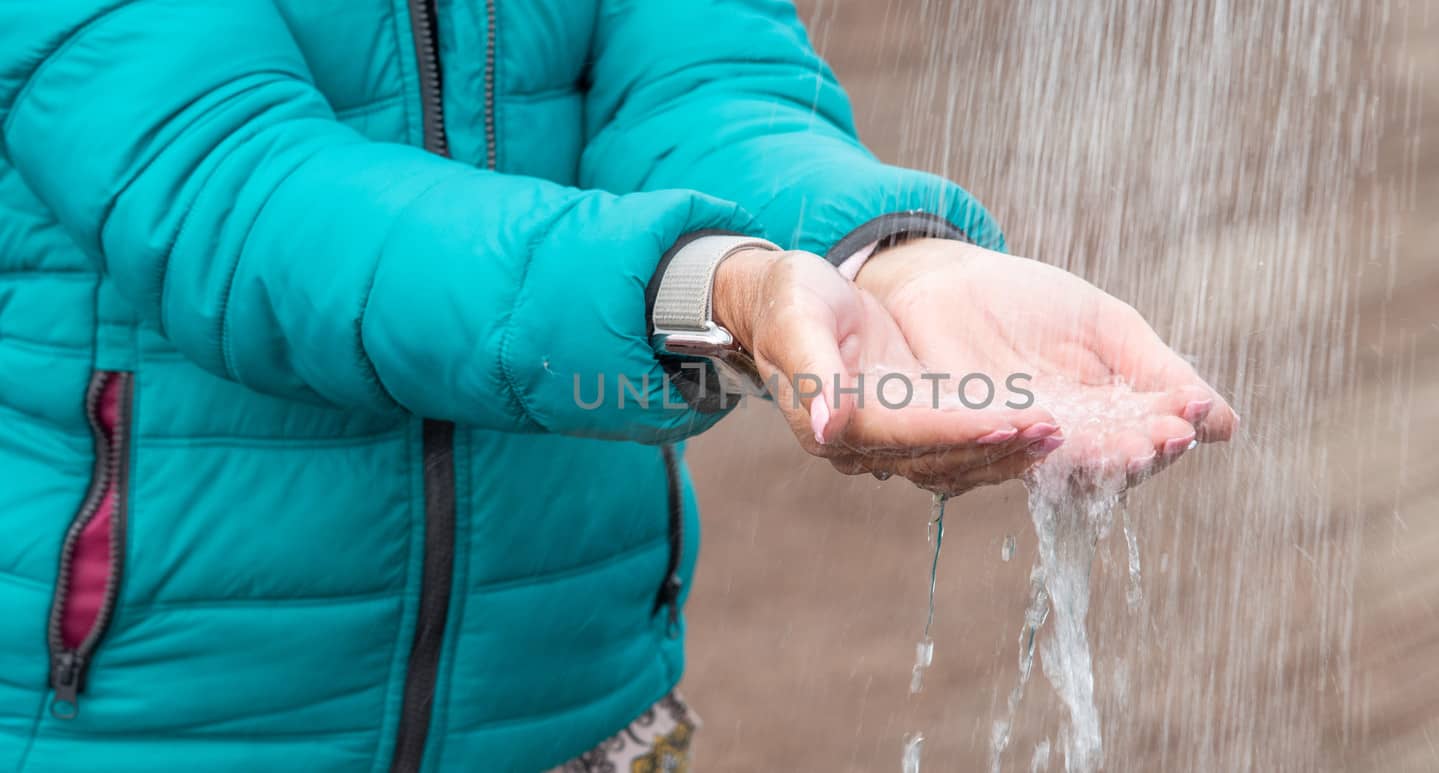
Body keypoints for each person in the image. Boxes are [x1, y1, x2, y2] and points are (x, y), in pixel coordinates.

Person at [0, 1, 1235, 770]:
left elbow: (709, 91)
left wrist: (887, 257)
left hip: (579, 701)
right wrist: (706, 290)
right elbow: (250, 204)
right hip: (149, 719)